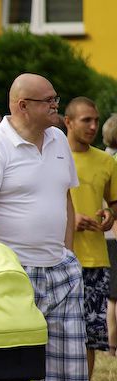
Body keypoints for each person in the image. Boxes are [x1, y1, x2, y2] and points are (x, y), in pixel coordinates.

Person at [0, 73, 87, 381]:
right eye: (49, 101)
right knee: (7, 371)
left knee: (68, 372)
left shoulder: (59, 140)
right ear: (22, 106)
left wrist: (68, 254)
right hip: (14, 272)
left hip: (61, 271)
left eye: (56, 98)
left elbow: (65, 199)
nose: (56, 106)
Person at [64, 96, 117, 381]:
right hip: (60, 257)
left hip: (96, 258)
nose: (93, 126)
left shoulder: (106, 162)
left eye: (95, 120)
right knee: (54, 333)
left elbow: (113, 204)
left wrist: (109, 215)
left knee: (90, 336)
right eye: (85, 120)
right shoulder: (54, 157)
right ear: (68, 122)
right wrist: (72, 218)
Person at [102, 115, 117, 364]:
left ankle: (112, 342)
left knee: (112, 294)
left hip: (104, 234)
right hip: (113, 232)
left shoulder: (104, 157)